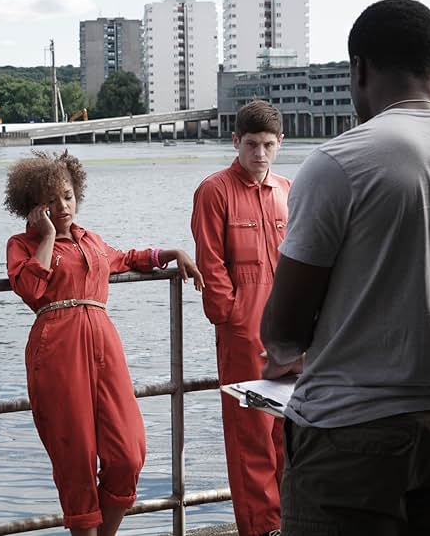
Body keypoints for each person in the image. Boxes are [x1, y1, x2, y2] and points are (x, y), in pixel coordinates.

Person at [260, 0, 430, 536]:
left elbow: (283, 327)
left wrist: (288, 353)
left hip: (352, 434)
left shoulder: (340, 162)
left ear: (359, 69)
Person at [5, 151, 204, 536]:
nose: (61, 206)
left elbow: (127, 258)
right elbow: (29, 288)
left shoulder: (90, 240)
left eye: (66, 195)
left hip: (104, 348)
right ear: (33, 206)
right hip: (57, 349)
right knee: (75, 457)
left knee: (128, 452)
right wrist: (46, 237)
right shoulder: (21, 244)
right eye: (50, 200)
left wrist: (172, 253)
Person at [191, 100, 291, 536]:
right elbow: (211, 264)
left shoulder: (289, 190)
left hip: (290, 327)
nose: (260, 154)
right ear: (236, 142)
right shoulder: (214, 191)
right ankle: (262, 528)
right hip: (243, 329)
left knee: (290, 431)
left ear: (280, 143)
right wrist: (230, 316)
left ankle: (294, 520)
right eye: (252, 144)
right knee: (251, 434)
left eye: (269, 144)